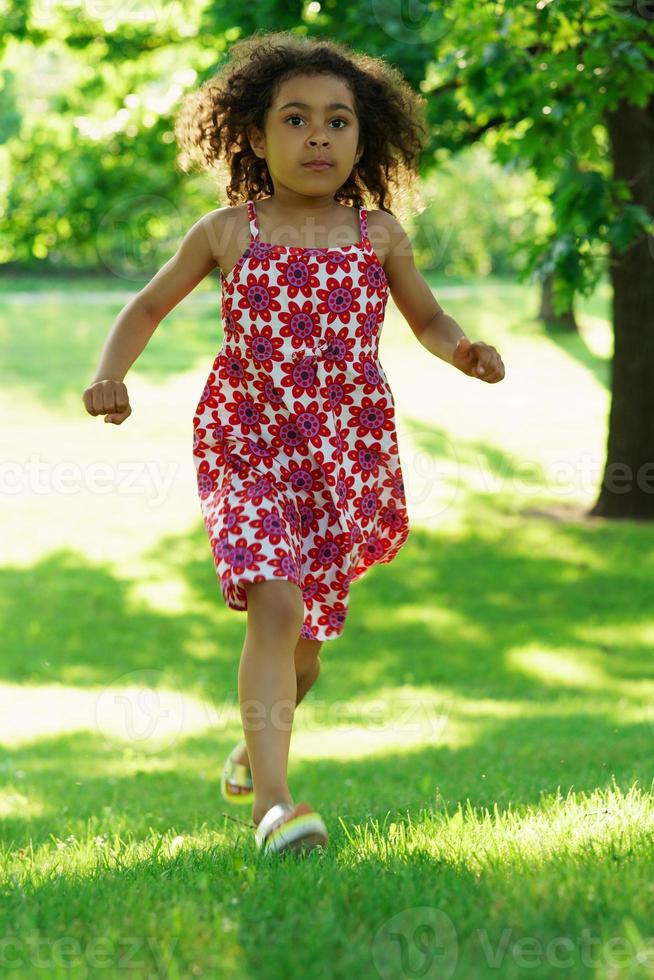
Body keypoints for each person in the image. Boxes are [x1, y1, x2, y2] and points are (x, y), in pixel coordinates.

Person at [82, 30, 505, 856]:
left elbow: (425, 316)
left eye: (339, 121)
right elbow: (145, 308)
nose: (319, 136)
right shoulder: (227, 231)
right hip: (247, 442)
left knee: (306, 648)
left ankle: (255, 745)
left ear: (364, 137)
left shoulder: (378, 234)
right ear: (253, 134)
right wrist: (111, 374)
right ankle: (273, 807)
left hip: (342, 456)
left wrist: (462, 349)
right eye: (297, 119)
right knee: (272, 604)